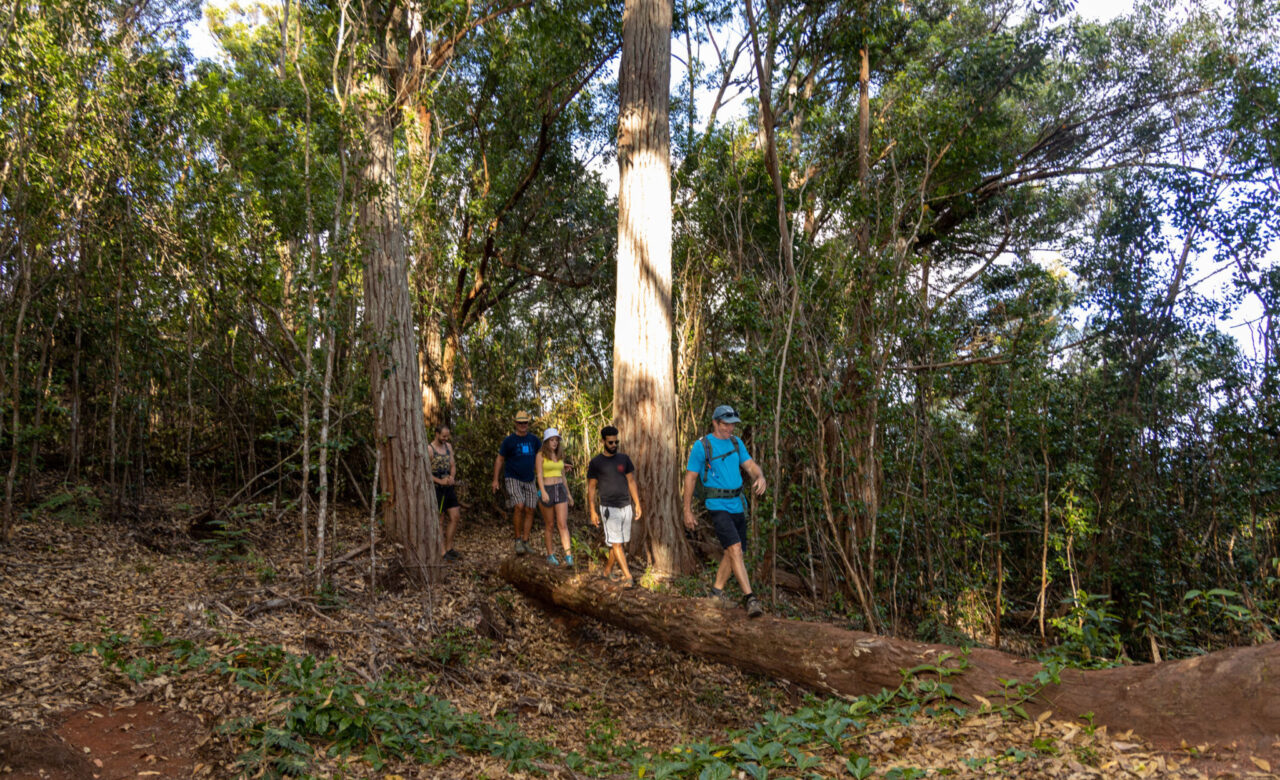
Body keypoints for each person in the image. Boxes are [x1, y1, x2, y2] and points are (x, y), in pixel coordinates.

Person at [682, 404, 768, 617]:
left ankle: (715, 594)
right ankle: (750, 598)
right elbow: (691, 478)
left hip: (737, 504)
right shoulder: (702, 446)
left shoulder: (736, 443)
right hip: (717, 505)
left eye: (733, 425)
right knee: (735, 549)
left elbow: (750, 466)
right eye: (726, 424)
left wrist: (760, 476)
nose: (730, 429)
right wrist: (687, 510)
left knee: (733, 553)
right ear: (715, 422)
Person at [587, 425, 641, 588]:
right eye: (610, 442)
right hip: (609, 509)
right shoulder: (596, 462)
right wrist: (592, 510)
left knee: (618, 543)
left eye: (616, 442)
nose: (614, 445)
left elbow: (631, 481)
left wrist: (637, 503)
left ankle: (607, 572)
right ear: (603, 441)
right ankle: (628, 577)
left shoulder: (623, 459)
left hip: (625, 507)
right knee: (616, 544)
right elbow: (591, 487)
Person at [492, 410, 541, 554]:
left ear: (528, 423)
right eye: (520, 422)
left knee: (530, 509)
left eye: (525, 422)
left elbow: (543, 456)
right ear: (515, 423)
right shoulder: (509, 441)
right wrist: (495, 480)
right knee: (519, 505)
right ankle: (517, 540)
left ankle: (526, 541)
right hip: (512, 477)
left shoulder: (534, 440)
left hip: (529, 479)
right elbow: (500, 459)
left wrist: (561, 464)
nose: (523, 425)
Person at [536, 428, 575, 566]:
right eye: (552, 440)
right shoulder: (540, 455)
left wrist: (569, 494)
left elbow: (563, 476)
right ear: (546, 442)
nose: (554, 443)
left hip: (560, 489)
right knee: (550, 525)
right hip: (547, 489)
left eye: (556, 440)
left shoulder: (559, 456)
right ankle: (550, 555)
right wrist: (543, 491)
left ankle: (568, 556)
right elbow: (539, 474)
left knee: (562, 524)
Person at [429, 424, 461, 561]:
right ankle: (442, 552)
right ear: (436, 434)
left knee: (455, 516)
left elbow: (452, 465)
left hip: (448, 487)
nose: (445, 438)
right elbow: (425, 472)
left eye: (447, 436)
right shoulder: (429, 449)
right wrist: (439, 481)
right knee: (440, 520)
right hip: (436, 489)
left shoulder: (448, 447)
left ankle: (449, 548)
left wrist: (452, 477)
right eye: (443, 436)